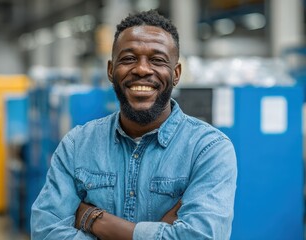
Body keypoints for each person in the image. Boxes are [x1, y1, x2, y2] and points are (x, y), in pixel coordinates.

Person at [31, 9, 237, 240]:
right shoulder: (77, 145)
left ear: (176, 74)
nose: (141, 69)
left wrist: (94, 219)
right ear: (111, 70)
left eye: (157, 60)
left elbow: (201, 237)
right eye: (128, 58)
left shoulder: (208, 149)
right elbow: (45, 231)